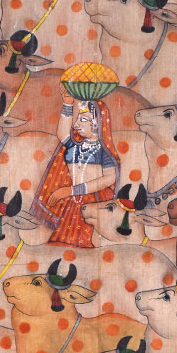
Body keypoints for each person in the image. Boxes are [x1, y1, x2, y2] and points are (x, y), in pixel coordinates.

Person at [32, 63, 120, 247]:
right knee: (60, 243)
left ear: (98, 124)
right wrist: (67, 104)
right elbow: (62, 134)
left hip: (92, 206)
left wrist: (71, 191)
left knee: (87, 246)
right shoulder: (75, 145)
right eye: (78, 118)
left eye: (84, 119)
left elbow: (109, 179)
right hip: (70, 204)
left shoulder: (103, 152)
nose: (77, 124)